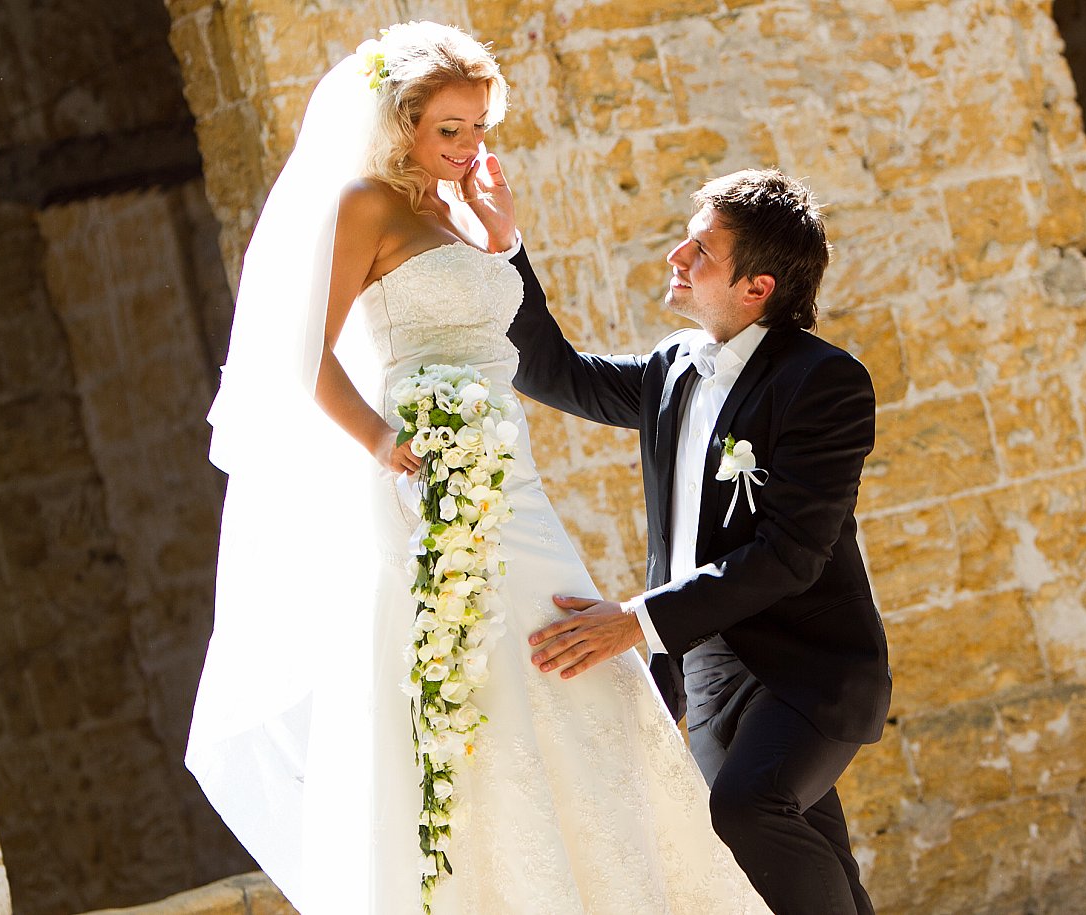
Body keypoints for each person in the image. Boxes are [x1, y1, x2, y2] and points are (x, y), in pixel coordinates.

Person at [186, 21, 772, 915]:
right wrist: (380, 440)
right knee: (468, 672)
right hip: (428, 483)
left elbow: (519, 349)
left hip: (512, 481)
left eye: (479, 127)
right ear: (403, 124)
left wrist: (502, 238)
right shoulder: (365, 205)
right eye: (448, 129)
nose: (467, 146)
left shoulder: (467, 213)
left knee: (567, 657)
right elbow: (300, 352)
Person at [510, 169, 892, 915]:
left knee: (748, 809)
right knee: (802, 855)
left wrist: (634, 620)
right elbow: (553, 373)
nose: (677, 256)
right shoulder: (673, 368)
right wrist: (504, 248)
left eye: (702, 249)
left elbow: (790, 553)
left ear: (757, 287)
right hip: (707, 669)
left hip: (809, 669)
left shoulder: (824, 382)